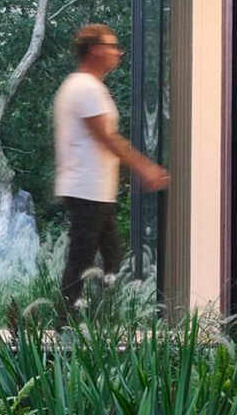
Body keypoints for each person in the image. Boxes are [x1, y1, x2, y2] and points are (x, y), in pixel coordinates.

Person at [52, 23, 169, 313]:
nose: (118, 52)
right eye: (112, 46)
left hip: (94, 190)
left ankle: (96, 315)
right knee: (82, 259)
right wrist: (145, 167)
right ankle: (66, 322)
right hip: (86, 188)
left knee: (112, 256)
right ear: (94, 50)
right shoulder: (85, 87)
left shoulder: (85, 86)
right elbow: (106, 137)